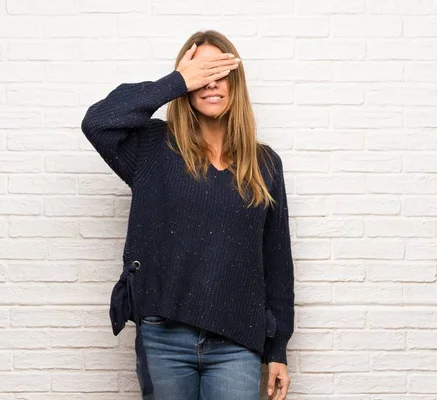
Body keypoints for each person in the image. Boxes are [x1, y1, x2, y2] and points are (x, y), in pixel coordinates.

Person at [81, 30, 295, 400]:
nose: (210, 83)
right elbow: (98, 122)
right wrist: (175, 82)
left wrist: (278, 350)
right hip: (163, 338)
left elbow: (276, 263)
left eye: (220, 72)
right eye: (201, 72)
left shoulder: (264, 163)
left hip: (237, 339)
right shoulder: (153, 148)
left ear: (236, 83)